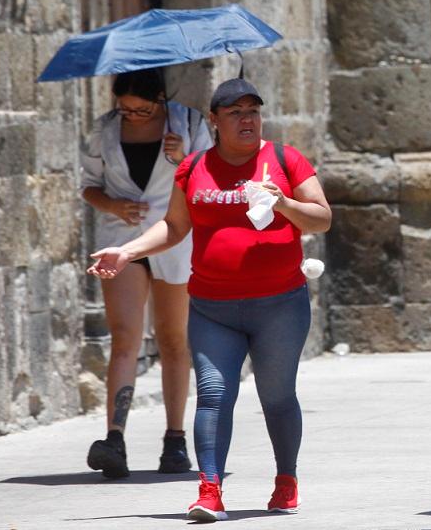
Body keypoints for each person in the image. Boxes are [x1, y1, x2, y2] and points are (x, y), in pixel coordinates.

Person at [87, 77, 332, 521]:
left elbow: (322, 218)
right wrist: (127, 251)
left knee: (276, 396)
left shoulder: (284, 159)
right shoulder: (194, 167)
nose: (247, 119)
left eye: (253, 110)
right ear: (215, 121)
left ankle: (286, 480)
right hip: (212, 306)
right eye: (235, 112)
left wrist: (285, 205)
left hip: (279, 304)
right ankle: (210, 490)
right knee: (214, 394)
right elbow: (175, 228)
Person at [81, 68, 213, 478]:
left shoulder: (189, 124)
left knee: (175, 340)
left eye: (141, 109)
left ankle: (175, 439)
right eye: (125, 108)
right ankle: (114, 439)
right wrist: (113, 206)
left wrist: (181, 160)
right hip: (121, 240)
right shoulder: (103, 130)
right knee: (125, 338)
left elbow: (209, 179)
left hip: (174, 239)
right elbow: (88, 186)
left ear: (159, 98)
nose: (133, 115)